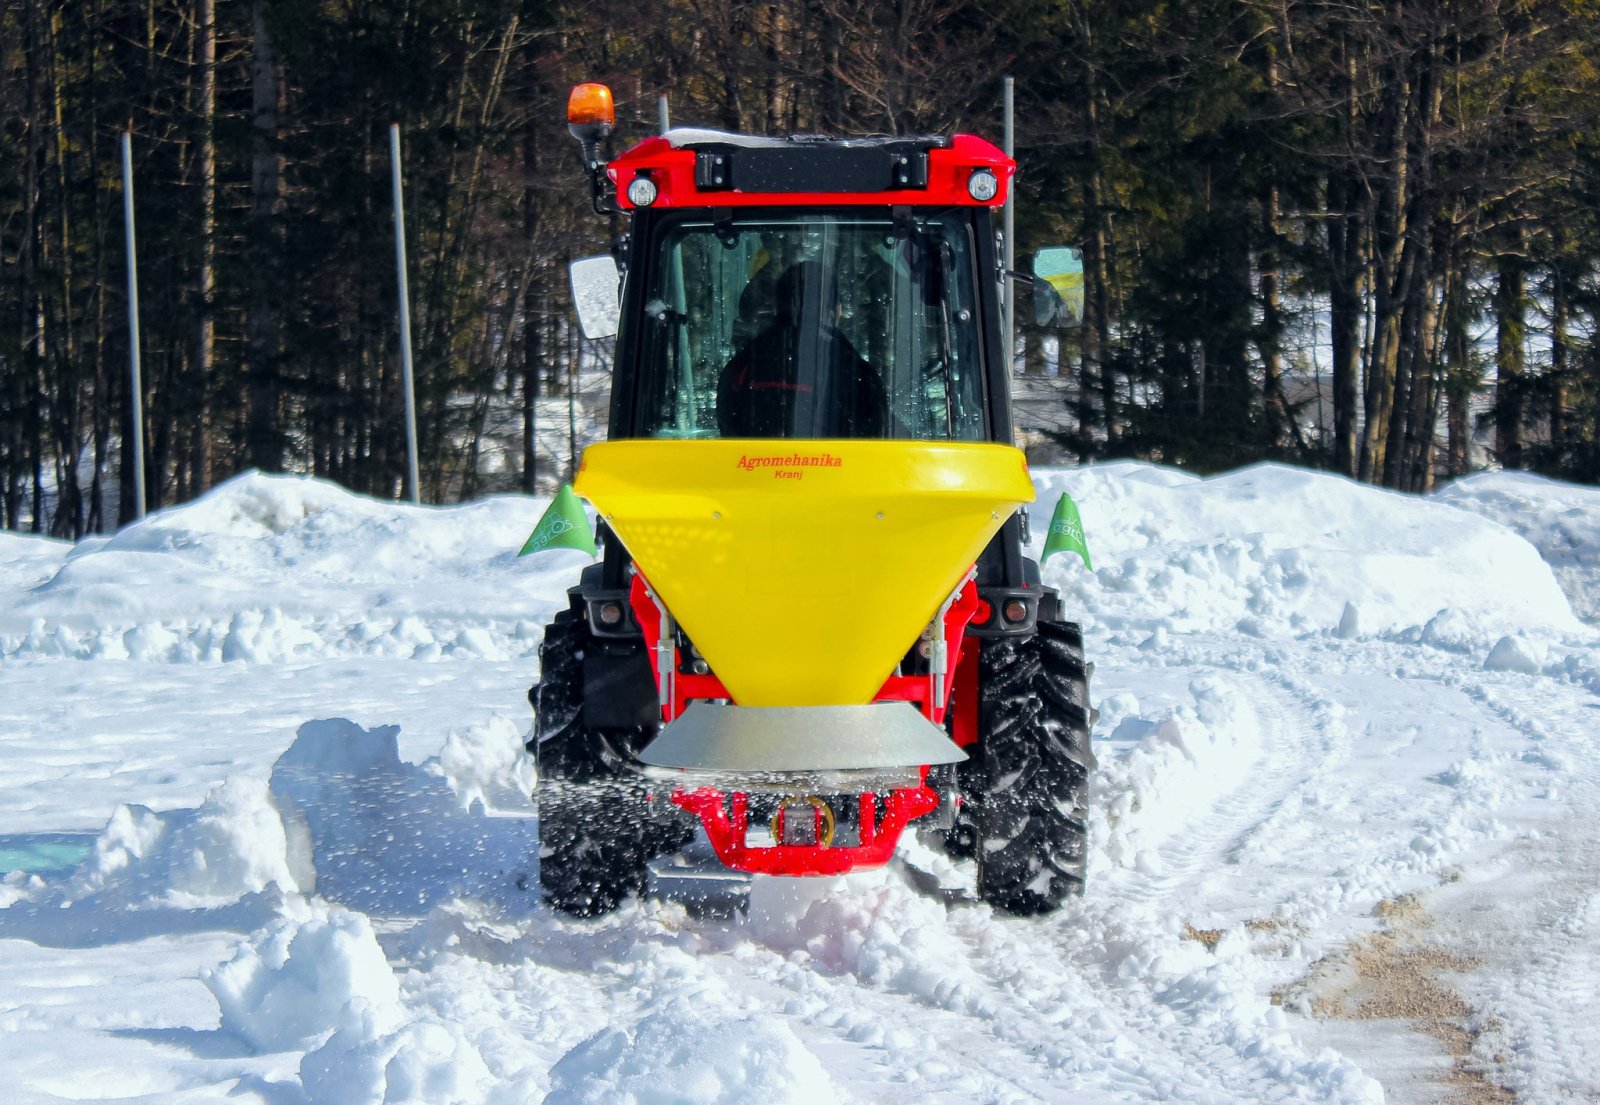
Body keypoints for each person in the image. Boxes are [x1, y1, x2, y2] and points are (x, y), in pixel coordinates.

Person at [717, 260, 887, 438]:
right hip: (833, 465)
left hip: (749, 464)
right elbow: (873, 440)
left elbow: (728, 428)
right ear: (837, 312)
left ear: (776, 308)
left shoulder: (741, 367)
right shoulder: (857, 373)